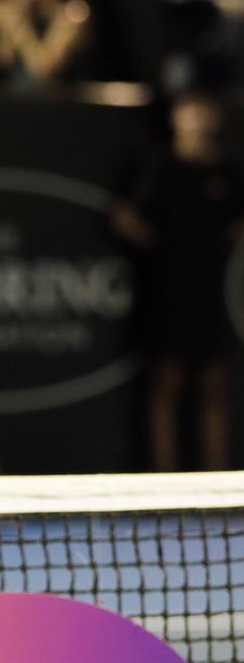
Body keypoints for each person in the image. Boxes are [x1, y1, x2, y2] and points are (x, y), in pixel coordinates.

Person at [109, 88, 244, 471]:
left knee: (212, 384)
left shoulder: (227, 173)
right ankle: (163, 475)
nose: (197, 121)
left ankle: (217, 475)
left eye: (204, 112)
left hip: (211, 291)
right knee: (166, 383)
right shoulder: (156, 166)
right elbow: (121, 215)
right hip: (166, 292)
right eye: (189, 112)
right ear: (175, 118)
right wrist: (158, 247)